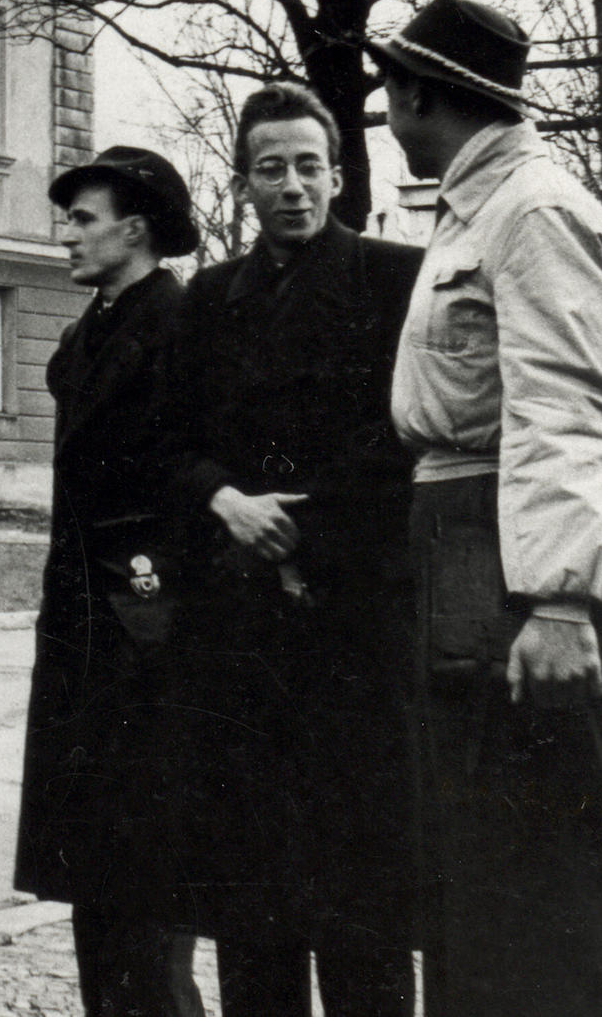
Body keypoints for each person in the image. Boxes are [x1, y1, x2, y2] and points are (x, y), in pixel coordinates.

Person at [375, 0, 602, 1017]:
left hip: (501, 560)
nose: (384, 110)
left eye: (389, 90)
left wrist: (557, 598)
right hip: (471, 544)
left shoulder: (530, 210)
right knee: (477, 861)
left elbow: (578, 401)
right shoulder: (492, 207)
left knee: (536, 862)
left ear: (420, 95)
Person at [160, 84, 423, 1017]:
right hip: (240, 641)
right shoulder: (211, 296)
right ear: (243, 183)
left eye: (309, 165)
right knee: (252, 904)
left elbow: (406, 438)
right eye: (271, 168)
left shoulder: (397, 279)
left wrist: (300, 525)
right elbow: (172, 441)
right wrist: (226, 500)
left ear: (341, 175)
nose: (293, 185)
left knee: (364, 911)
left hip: (354, 628)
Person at [12, 145, 205, 1017]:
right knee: (100, 878)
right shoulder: (90, 330)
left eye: (83, 219)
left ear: (136, 228)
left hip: (146, 639)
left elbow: (189, 483)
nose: (68, 235)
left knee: (148, 879)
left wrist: (149, 611)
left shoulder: (178, 324)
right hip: (89, 636)